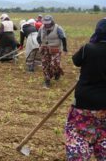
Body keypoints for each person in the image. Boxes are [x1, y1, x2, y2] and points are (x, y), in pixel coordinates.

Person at [64, 18, 106, 160]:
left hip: (84, 102)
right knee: (103, 137)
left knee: (79, 134)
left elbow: (76, 61)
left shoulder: (88, 48)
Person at [37, 15, 67, 88]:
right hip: (44, 49)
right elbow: (38, 37)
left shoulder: (58, 28)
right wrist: (41, 44)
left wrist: (65, 48)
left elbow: (63, 38)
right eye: (45, 23)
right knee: (45, 65)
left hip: (55, 49)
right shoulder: (41, 28)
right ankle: (47, 80)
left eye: (48, 23)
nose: (46, 24)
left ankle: (57, 72)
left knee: (54, 64)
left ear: (52, 22)